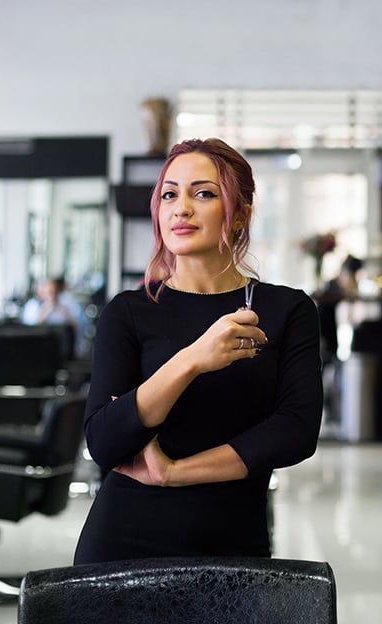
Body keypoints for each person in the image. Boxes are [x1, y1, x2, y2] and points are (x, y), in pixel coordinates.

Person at [73, 138, 323, 564]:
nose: (180, 208)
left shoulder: (287, 310)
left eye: (203, 193)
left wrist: (174, 473)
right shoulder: (129, 312)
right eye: (169, 194)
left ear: (240, 213)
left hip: (233, 543)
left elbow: (296, 432)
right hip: (123, 543)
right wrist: (192, 359)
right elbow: (105, 440)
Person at [21, 276, 88, 359]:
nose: (51, 295)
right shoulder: (32, 306)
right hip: (39, 350)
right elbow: (28, 332)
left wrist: (64, 312)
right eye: (48, 291)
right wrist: (44, 312)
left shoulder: (68, 302)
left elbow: (79, 328)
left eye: (53, 291)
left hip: (64, 350)